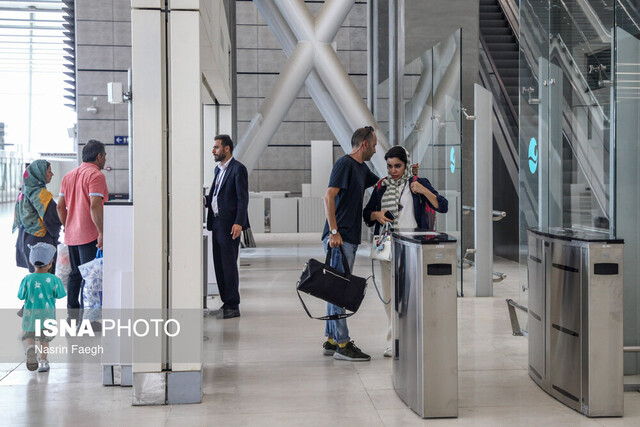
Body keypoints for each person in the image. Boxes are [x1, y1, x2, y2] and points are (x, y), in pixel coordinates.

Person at [363, 145, 448, 357]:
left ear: (407, 165)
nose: (393, 170)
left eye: (398, 166)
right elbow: (366, 214)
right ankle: (393, 341)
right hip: (388, 246)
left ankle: (414, 338)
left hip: (414, 247)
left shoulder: (418, 183)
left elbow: (443, 205)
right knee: (390, 295)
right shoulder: (382, 186)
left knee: (413, 295)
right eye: (390, 166)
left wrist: (424, 191)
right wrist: (378, 214)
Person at [321, 126, 380, 362]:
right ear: (364, 144)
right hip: (339, 238)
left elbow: (384, 182)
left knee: (334, 289)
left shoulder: (362, 169)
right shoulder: (345, 164)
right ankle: (343, 344)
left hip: (349, 237)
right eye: (374, 145)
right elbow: (328, 196)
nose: (375, 150)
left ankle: (332, 339)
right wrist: (334, 231)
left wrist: (408, 174)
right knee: (339, 291)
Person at [57, 140, 108, 324]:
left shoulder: (69, 175)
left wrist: (67, 225)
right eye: (104, 156)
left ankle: (72, 316)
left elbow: (60, 207)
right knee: (91, 277)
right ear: (99, 156)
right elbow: (95, 205)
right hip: (90, 235)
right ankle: (90, 321)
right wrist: (101, 232)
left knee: (75, 275)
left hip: (72, 235)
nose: (104, 160)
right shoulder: (96, 175)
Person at [205, 135, 249, 319]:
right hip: (216, 223)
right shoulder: (218, 170)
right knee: (219, 265)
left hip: (230, 225)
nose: (213, 150)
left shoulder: (238, 169)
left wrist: (239, 222)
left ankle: (233, 305)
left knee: (229, 265)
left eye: (216, 147)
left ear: (227, 148)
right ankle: (226, 302)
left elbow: (242, 198)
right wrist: (203, 200)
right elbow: (216, 197)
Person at [18, 242, 67, 372]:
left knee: (30, 334)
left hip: (30, 315)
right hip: (47, 316)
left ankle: (30, 351)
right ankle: (43, 362)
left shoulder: (27, 279)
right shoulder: (53, 279)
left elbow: (20, 296)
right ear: (51, 262)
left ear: (31, 261)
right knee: (44, 339)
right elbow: (61, 294)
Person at [13, 159, 62, 273]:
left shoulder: (24, 191)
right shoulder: (40, 194)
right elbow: (52, 218)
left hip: (25, 238)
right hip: (41, 242)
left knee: (35, 276)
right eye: (49, 171)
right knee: (45, 278)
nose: (52, 174)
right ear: (39, 173)